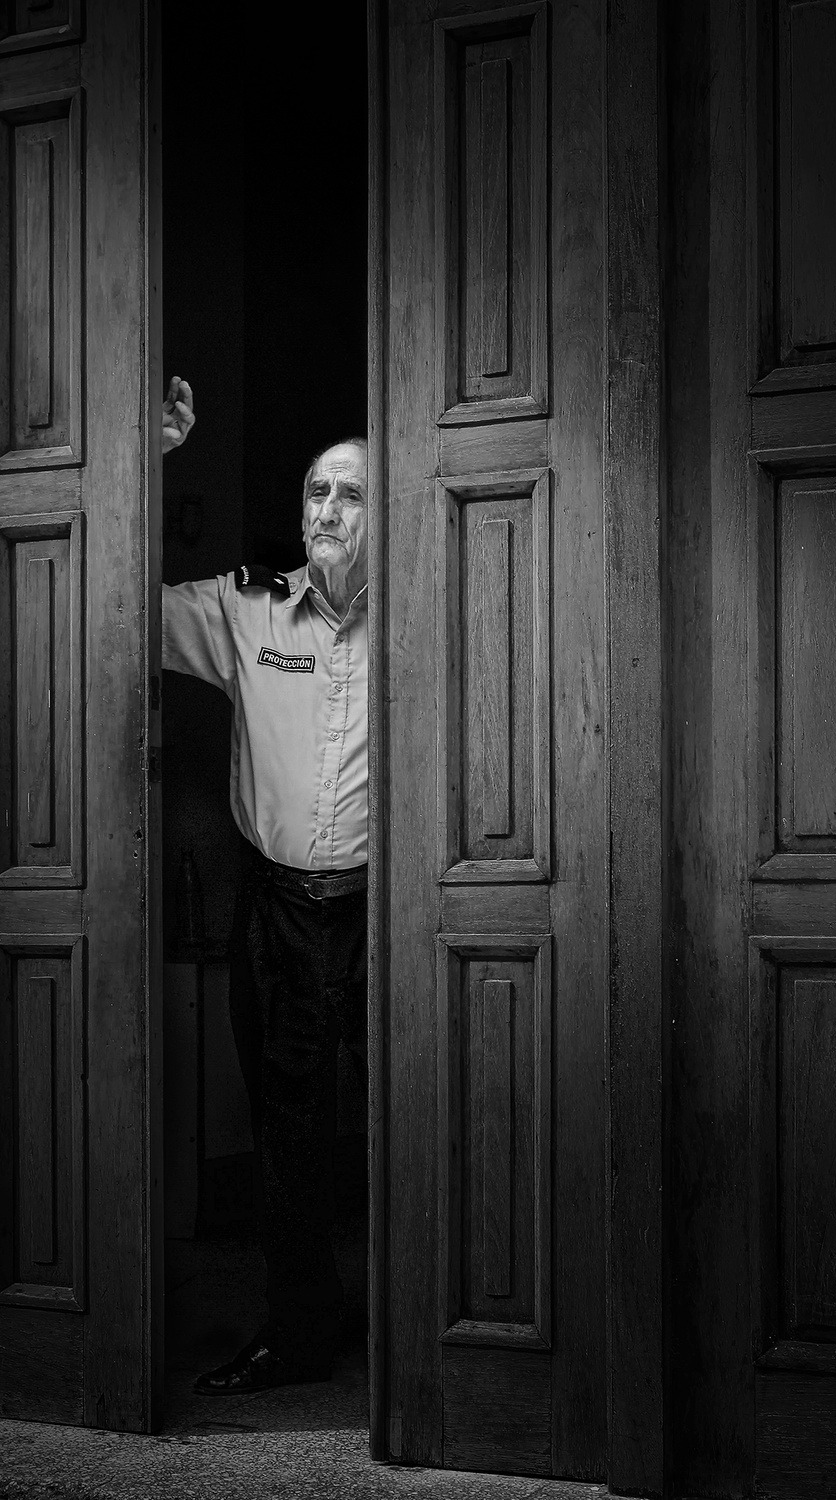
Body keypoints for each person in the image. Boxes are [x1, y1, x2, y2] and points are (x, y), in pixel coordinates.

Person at [160, 377, 369, 1392]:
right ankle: (299, 1333)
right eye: (315, 491)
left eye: (350, 494)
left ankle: (446, 1334)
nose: (326, 509)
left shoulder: (435, 615)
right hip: (280, 911)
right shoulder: (245, 611)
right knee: (289, 1137)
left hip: (393, 911)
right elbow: (113, 602)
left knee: (434, 1114)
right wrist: (145, 461)